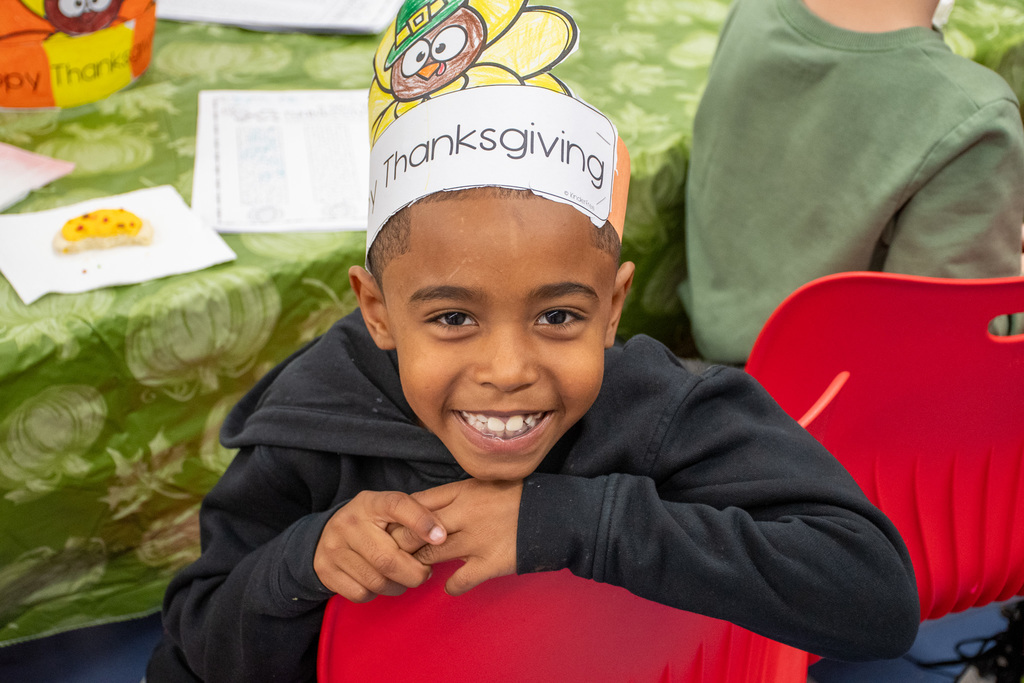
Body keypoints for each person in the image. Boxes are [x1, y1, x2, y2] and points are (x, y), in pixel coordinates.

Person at [147, 1, 920, 680]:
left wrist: (577, 522)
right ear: (376, 309)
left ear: (613, 307)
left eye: (557, 317)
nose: (509, 370)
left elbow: (876, 597)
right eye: (453, 318)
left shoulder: (667, 415)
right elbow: (195, 651)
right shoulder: (312, 427)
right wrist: (302, 562)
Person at [681, 0, 1024, 365]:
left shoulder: (755, 10)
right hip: (827, 388)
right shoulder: (974, 115)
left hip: (711, 348)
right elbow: (947, 353)